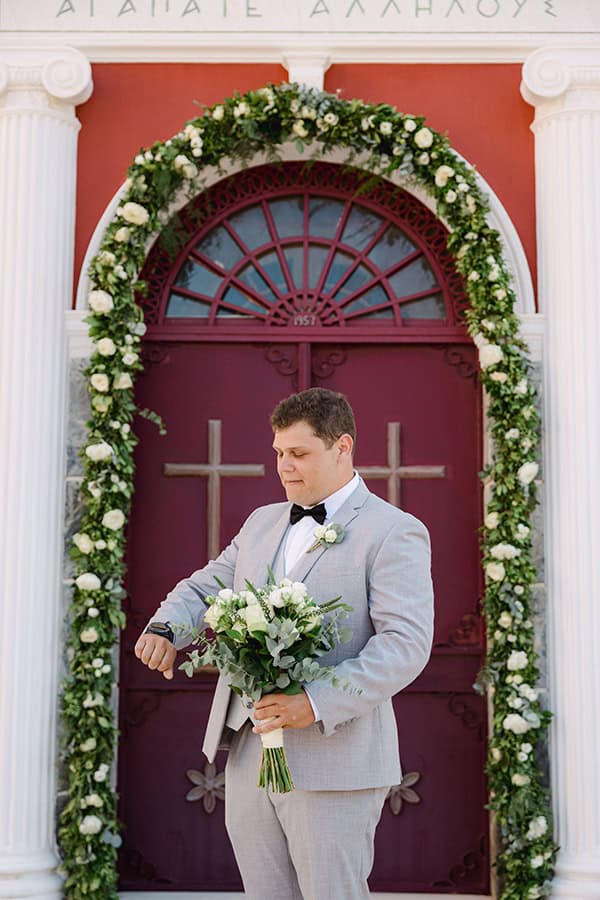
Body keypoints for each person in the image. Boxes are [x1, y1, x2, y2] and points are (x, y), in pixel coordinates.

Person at [135, 387, 434, 900]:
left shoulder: (393, 531)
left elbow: (405, 644)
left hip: (337, 759)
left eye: (299, 454)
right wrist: (166, 627)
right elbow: (208, 585)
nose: (284, 467)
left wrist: (314, 703)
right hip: (251, 749)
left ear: (342, 447)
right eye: (278, 453)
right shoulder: (262, 522)